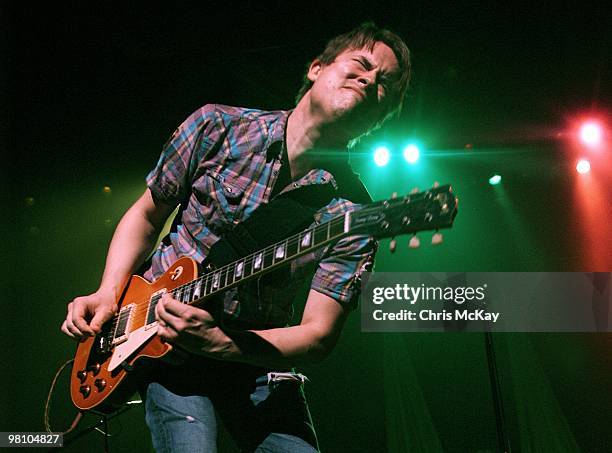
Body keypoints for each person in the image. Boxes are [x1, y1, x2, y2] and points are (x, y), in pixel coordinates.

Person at [61, 22, 411, 452]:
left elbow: (318, 334)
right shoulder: (217, 127)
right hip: (165, 344)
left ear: (381, 118)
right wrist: (108, 293)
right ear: (317, 68)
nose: (370, 79)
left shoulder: (354, 213)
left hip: (255, 360)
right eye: (361, 64)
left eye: (384, 85)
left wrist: (222, 343)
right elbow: (147, 216)